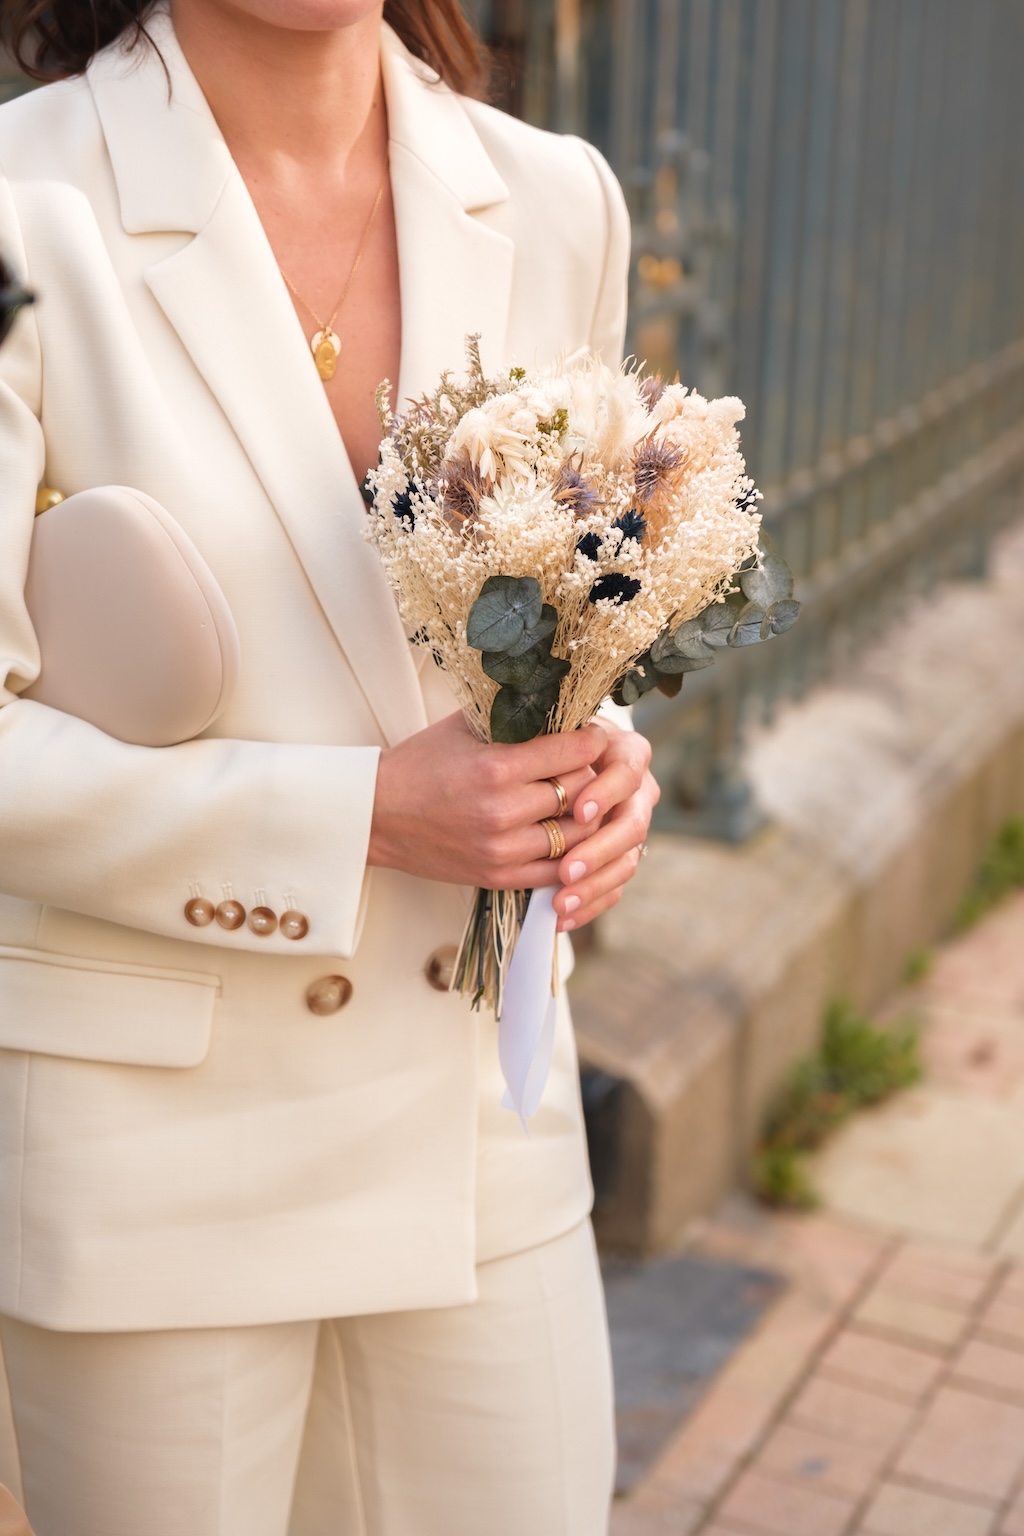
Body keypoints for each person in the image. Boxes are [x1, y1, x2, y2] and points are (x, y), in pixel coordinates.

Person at [0, 0, 659, 1530]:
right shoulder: (21, 211)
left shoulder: (557, 198)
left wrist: (604, 765)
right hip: (158, 1165)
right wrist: (353, 820)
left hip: (479, 1131)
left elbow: (579, 619)